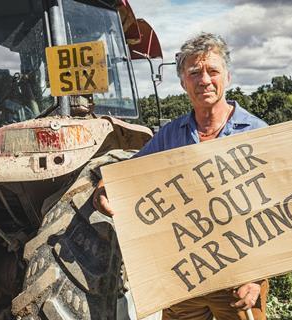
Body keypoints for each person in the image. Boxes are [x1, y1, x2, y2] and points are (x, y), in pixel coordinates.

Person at [93, 32, 269, 320]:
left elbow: (276, 209)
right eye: (194, 72)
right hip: (185, 275)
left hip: (238, 276)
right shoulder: (171, 135)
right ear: (183, 81)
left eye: (212, 71)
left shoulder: (256, 132)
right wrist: (106, 184)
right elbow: (133, 172)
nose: (204, 80)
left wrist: (257, 277)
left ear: (227, 75)